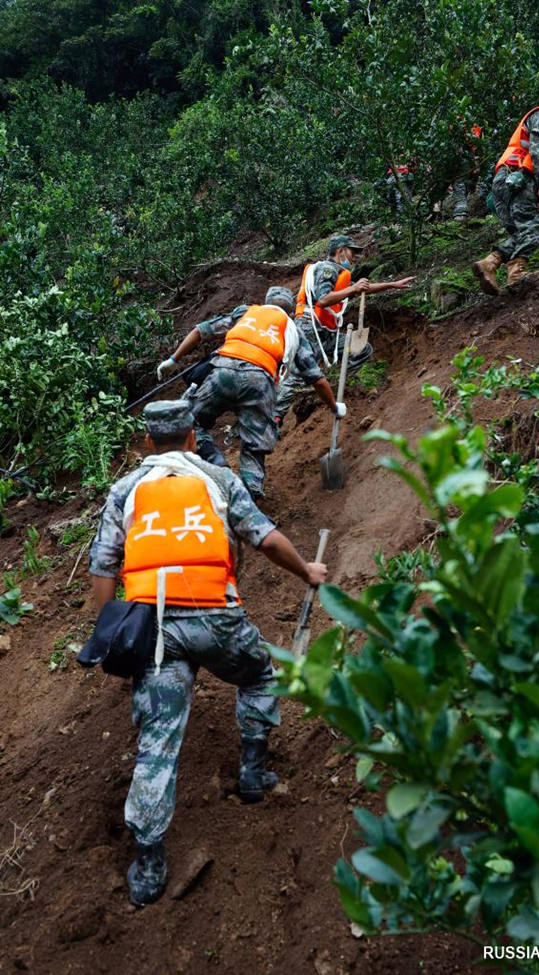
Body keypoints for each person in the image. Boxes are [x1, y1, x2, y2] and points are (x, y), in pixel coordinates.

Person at [89, 400, 328, 907]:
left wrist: (110, 629)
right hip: (215, 617)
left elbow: (104, 566)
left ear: (148, 443)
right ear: (192, 439)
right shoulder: (218, 479)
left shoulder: (125, 490)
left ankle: (149, 862)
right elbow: (263, 538)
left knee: (159, 741)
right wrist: (307, 570)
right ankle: (253, 769)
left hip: (155, 630)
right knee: (260, 672)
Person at [155, 286, 344, 501]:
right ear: (291, 312)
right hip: (260, 382)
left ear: (265, 302)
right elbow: (316, 378)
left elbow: (202, 330)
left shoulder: (245, 313)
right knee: (255, 445)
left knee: (189, 422)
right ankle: (248, 496)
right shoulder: (293, 331)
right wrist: (334, 407)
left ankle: (215, 461)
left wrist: (173, 360)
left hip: (223, 372)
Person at [274, 235, 415, 423]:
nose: (356, 257)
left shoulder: (338, 272)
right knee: (298, 375)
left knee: (361, 350)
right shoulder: (327, 269)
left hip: (326, 331)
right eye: (352, 251)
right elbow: (323, 299)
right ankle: (273, 417)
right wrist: (354, 288)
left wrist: (391, 284)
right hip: (310, 328)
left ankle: (337, 388)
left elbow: (361, 288)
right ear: (340, 251)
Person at [472, 78, 539, 294]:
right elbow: (538, 153)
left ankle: (489, 264)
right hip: (519, 180)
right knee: (534, 228)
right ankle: (517, 275)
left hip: (505, 180)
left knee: (519, 232)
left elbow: (532, 155)